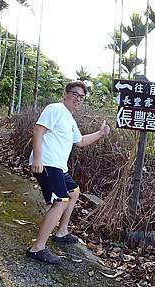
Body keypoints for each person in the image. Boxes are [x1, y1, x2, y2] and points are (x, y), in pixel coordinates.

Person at [27, 80, 110, 264]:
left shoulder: (70, 119)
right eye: (75, 94)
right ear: (65, 94)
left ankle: (62, 232)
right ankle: (37, 248)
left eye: (81, 97)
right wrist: (38, 159)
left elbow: (79, 142)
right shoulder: (55, 109)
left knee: (74, 192)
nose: (78, 99)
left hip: (58, 166)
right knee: (60, 201)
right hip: (47, 163)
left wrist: (100, 133)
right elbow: (38, 131)